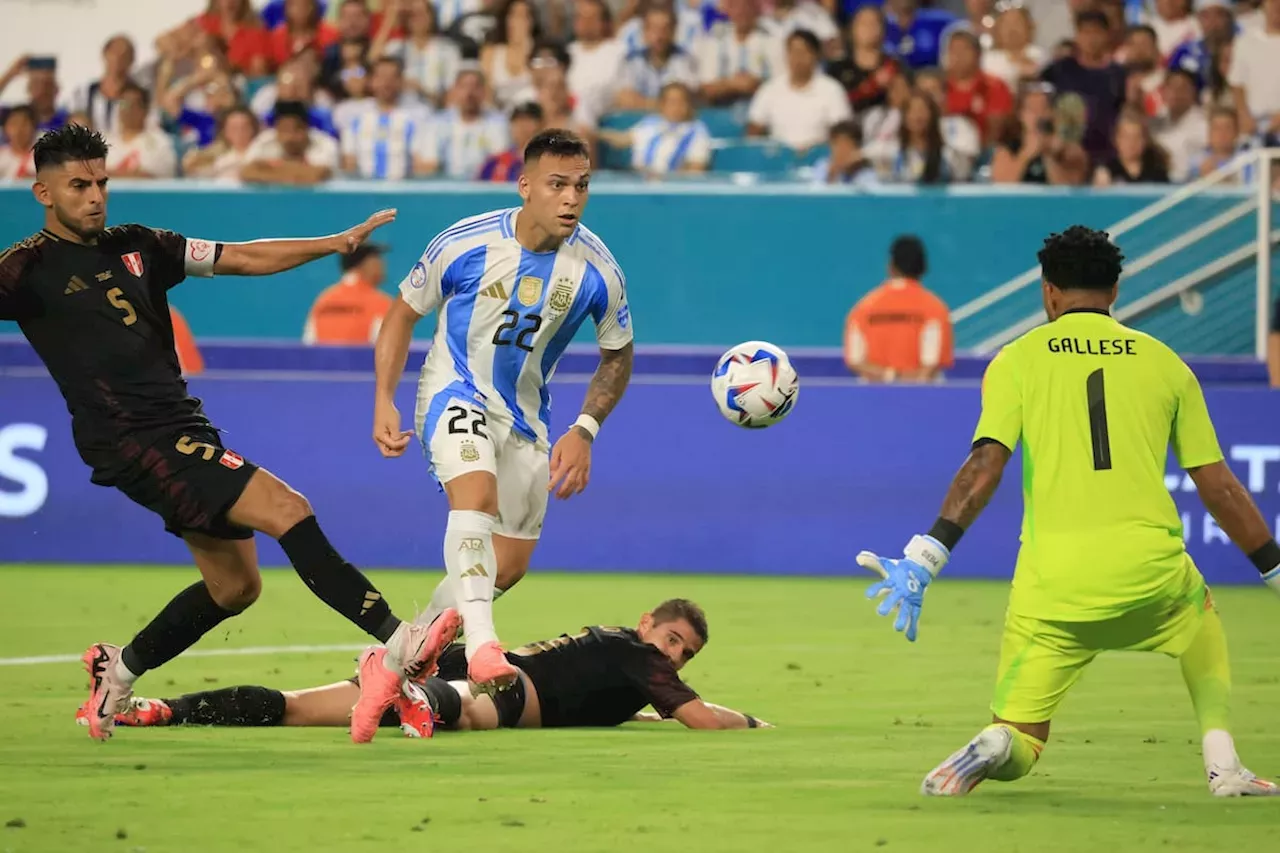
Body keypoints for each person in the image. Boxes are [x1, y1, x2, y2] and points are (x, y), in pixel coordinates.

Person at [0, 124, 458, 743]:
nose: (95, 196)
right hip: (130, 437)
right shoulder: (25, 269)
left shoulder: (140, 245)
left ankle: (119, 672)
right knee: (286, 508)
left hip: (182, 425)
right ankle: (402, 645)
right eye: (79, 185)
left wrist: (334, 243)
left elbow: (240, 255)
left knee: (235, 587)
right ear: (42, 193)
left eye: (102, 182)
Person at [855, 225, 1280, 799]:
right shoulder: (1166, 363)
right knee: (1200, 620)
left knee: (1024, 735)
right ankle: (1223, 764)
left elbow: (984, 468)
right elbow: (1217, 485)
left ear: (1049, 292)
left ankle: (998, 745)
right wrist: (1273, 568)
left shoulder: (1017, 360)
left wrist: (926, 555)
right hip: (1150, 573)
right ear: (1116, 290)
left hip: (1050, 589)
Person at [372, 129, 634, 702]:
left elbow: (618, 353)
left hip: (526, 418)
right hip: (454, 391)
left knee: (506, 566)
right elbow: (400, 315)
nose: (571, 198)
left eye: (582, 186)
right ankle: (485, 646)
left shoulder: (597, 271)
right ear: (526, 187)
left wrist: (585, 429)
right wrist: (384, 398)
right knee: (477, 500)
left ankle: (393, 661)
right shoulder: (463, 243)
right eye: (557, 184)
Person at [79, 600, 773, 737]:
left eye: (686, 653)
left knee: (298, 705)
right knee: (465, 708)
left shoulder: (620, 643)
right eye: (674, 638)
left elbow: (621, 694)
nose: (674, 655)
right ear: (650, 623)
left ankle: (159, 707)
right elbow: (703, 719)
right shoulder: (641, 657)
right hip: (506, 688)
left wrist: (638, 709)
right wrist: (753, 718)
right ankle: (415, 687)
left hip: (493, 664)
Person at [843, 235, 952, 383]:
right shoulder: (936, 308)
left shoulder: (863, 308)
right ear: (923, 267)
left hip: (873, 398)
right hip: (923, 399)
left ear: (891, 266)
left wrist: (890, 377)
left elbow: (856, 361)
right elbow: (930, 367)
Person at [1041, 10, 1128, 163]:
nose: (1091, 39)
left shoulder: (1118, 74)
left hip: (1107, 154)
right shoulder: (1060, 69)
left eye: (1096, 32)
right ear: (1077, 35)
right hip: (1065, 155)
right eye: (1085, 32)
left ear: (1107, 35)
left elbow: (1124, 112)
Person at [746, 29, 852, 153]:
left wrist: (812, 150)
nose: (798, 58)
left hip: (819, 159)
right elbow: (754, 129)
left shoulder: (832, 89)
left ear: (816, 55)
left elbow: (843, 134)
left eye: (803, 52)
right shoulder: (770, 89)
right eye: (793, 52)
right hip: (779, 160)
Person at [339, 57, 433, 180]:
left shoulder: (418, 116)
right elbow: (349, 162)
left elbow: (422, 163)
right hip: (364, 191)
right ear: (371, 81)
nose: (387, 83)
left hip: (403, 190)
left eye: (393, 77)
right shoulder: (354, 116)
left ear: (401, 81)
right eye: (381, 77)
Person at [990, 85, 1089, 186]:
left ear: (1051, 112)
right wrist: (1025, 155)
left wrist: (1048, 155)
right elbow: (1001, 186)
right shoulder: (1007, 149)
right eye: (1032, 109)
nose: (1038, 114)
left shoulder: (1067, 150)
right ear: (1021, 114)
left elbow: (1069, 189)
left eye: (1043, 108)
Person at [614, 5, 700, 110]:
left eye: (664, 29)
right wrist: (665, 105)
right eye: (653, 29)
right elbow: (625, 100)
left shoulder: (685, 59)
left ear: (673, 32)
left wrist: (642, 102)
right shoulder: (631, 61)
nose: (659, 36)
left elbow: (683, 101)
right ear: (644, 32)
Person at [303, 244, 393, 345]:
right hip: (363, 360)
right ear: (364, 265)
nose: (382, 264)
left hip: (323, 360)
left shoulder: (323, 301)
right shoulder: (382, 304)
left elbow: (308, 344)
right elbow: (393, 350)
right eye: (377, 259)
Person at [240, 100, 340, 185]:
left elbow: (316, 176)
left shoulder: (326, 144)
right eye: (283, 130)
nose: (289, 137)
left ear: (306, 129)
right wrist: (297, 173)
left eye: (295, 130)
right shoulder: (264, 141)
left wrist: (269, 168)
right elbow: (246, 172)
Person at [102, 84, 178, 180]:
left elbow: (159, 177)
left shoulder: (160, 142)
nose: (128, 109)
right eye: (123, 104)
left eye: (133, 104)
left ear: (145, 110)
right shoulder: (104, 143)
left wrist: (114, 174)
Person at [1092, 108, 1171, 185]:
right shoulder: (1106, 171)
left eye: (1137, 137)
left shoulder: (1156, 170)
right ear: (1116, 139)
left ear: (1145, 140)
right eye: (1126, 137)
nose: (1131, 143)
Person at [477, 102, 544, 181]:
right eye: (518, 121)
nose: (522, 126)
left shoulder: (551, 161)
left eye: (529, 120)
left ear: (542, 125)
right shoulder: (495, 162)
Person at [811, 120, 877, 187]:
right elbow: (816, 191)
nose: (841, 150)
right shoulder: (822, 166)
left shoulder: (865, 171)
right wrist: (833, 173)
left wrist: (851, 171)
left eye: (846, 145)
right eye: (837, 144)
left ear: (857, 148)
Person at [0, 106, 38, 181]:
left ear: (33, 127)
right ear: (5, 128)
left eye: (24, 124)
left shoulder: (44, 156)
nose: (19, 129)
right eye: (15, 124)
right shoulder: (1, 155)